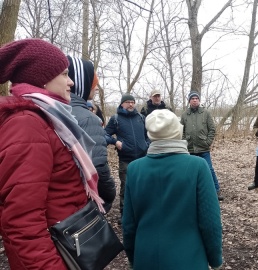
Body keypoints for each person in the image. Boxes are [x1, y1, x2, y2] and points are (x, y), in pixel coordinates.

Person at [0, 39, 103, 269]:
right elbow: (21, 222)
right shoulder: (26, 125)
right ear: (42, 79)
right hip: (54, 257)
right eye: (64, 74)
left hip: (68, 249)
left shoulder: (51, 119)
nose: (71, 82)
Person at [123, 109, 223, 270]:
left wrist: (133, 258)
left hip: (146, 258)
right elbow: (210, 222)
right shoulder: (197, 166)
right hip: (189, 259)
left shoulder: (134, 169)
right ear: (178, 131)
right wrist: (215, 259)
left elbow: (128, 224)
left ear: (151, 134)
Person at [68, 56, 116, 213]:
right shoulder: (89, 118)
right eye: (93, 84)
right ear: (82, 84)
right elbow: (98, 168)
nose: (96, 88)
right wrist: (109, 195)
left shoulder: (56, 110)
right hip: (82, 201)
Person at [105, 94, 149, 222]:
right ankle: (125, 216)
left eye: (133, 102)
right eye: (128, 102)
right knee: (126, 187)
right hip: (126, 159)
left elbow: (149, 135)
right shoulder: (116, 119)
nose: (131, 104)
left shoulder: (141, 118)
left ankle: (142, 213)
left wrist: (147, 144)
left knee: (142, 186)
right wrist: (115, 142)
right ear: (122, 104)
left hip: (142, 158)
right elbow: (104, 134)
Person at [180, 91, 223, 201]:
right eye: (192, 98)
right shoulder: (185, 115)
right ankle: (192, 192)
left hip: (203, 148)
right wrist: (185, 141)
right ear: (189, 101)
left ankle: (216, 190)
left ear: (199, 100)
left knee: (209, 169)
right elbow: (181, 131)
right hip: (190, 148)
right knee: (190, 171)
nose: (195, 100)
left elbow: (212, 129)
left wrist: (207, 142)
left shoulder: (206, 113)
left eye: (196, 98)